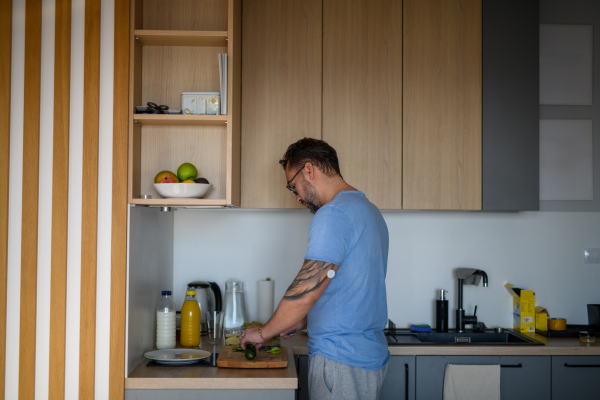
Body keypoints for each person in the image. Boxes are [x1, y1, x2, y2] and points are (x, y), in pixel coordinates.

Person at [240, 137, 390, 400]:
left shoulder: (334, 214)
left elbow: (306, 290)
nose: (297, 196)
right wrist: (301, 320)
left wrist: (263, 333)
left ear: (308, 169)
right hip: (366, 356)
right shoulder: (368, 210)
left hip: (340, 360)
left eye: (292, 185)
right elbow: (350, 289)